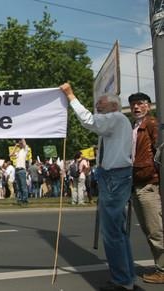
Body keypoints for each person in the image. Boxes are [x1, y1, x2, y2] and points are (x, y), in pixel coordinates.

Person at [61, 83, 136, 291]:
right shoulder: (116, 123)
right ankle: (127, 277)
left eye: (100, 104)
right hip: (113, 175)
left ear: (113, 106)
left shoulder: (117, 118)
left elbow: (89, 120)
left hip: (114, 176)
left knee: (112, 233)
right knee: (117, 232)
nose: (97, 106)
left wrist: (70, 96)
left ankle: (122, 280)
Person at [128, 92, 163, 284]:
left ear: (148, 106)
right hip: (138, 183)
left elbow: (160, 149)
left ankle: (163, 269)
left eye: (140, 104)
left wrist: (155, 173)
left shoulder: (151, 124)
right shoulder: (135, 127)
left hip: (150, 183)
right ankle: (160, 265)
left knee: (155, 230)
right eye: (133, 104)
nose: (136, 107)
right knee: (150, 230)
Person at [10, 139, 29, 204]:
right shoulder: (18, 152)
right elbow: (10, 155)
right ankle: (20, 198)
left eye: (20, 144)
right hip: (17, 170)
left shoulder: (25, 150)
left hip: (22, 170)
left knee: (23, 186)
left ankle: (25, 199)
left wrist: (21, 137)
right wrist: (15, 146)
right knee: (18, 186)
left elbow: (24, 143)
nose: (20, 144)